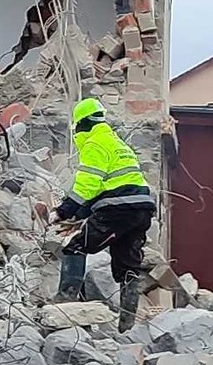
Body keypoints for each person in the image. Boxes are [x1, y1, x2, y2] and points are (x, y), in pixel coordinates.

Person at [53, 98, 158, 328]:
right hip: (141, 208)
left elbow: (87, 185)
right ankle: (126, 325)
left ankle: (65, 303)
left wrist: (63, 211)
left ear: (80, 125)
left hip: (118, 210)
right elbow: (104, 188)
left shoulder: (94, 143)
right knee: (128, 266)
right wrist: (79, 214)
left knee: (76, 247)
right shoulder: (117, 143)